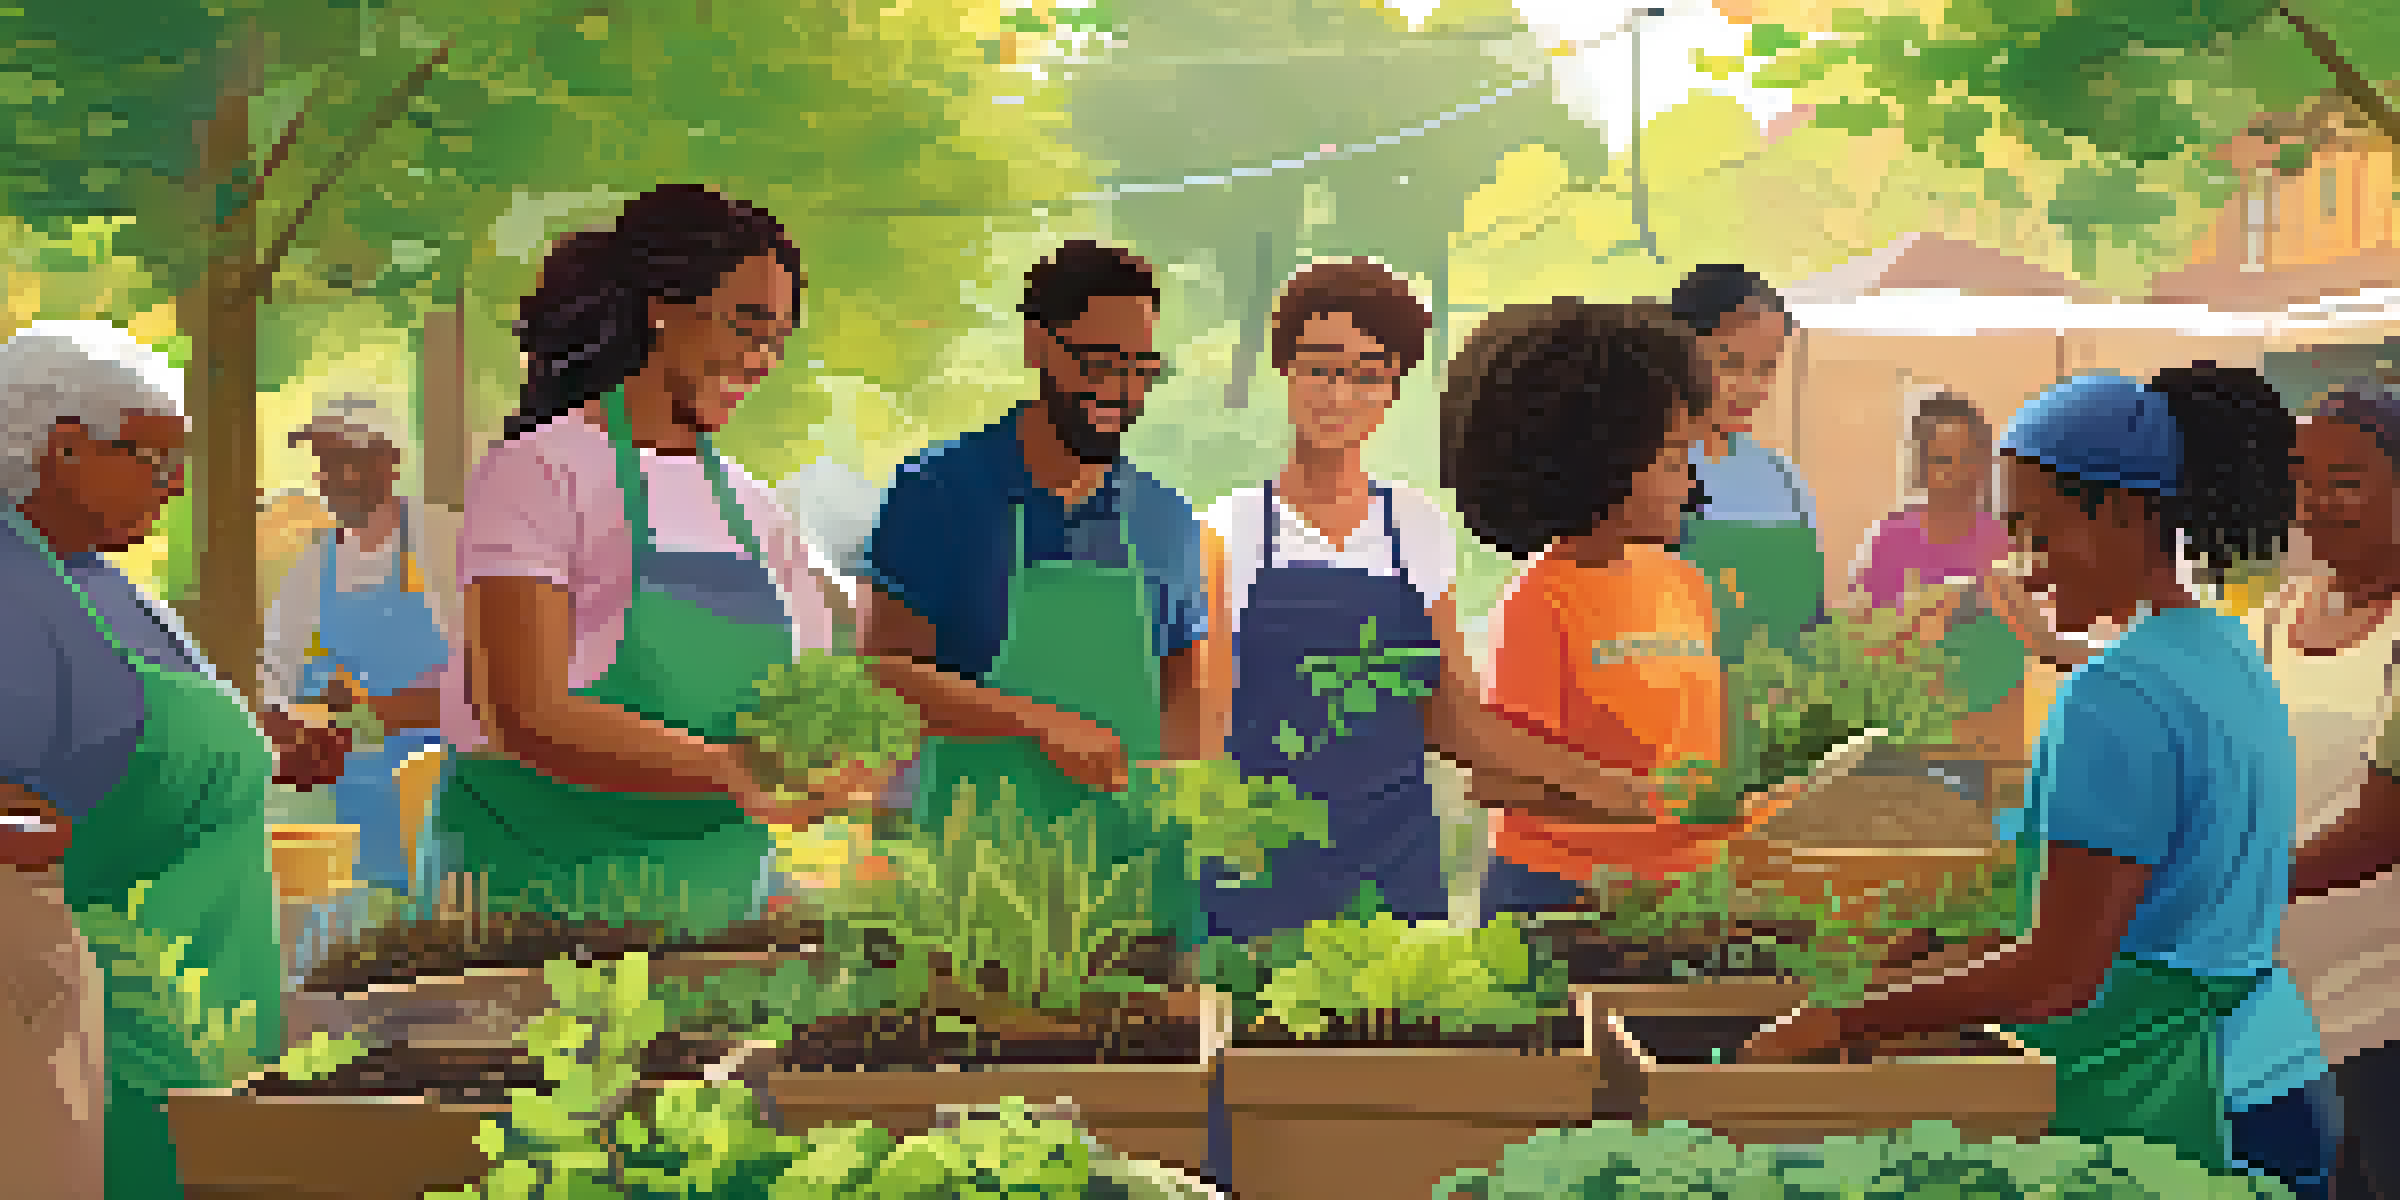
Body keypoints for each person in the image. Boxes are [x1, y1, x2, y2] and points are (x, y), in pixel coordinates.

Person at [1743, 366, 2310, 1177]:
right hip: (2272, 1082)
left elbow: (2058, 975)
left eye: (2039, 532)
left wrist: (1839, 1023)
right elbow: (2132, 907)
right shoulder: (2227, 656)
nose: (2030, 570)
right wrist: (1939, 954)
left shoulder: (2114, 695)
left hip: (2170, 1099)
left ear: (2121, 510)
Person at [431, 185, 868, 933]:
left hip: (719, 915)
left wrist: (835, 761)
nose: (761, 360)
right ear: (662, 306)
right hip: (539, 906)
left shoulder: (756, 511)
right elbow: (522, 711)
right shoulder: (540, 472)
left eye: (778, 342)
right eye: (747, 325)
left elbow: (803, 702)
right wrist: (727, 769)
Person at [1199, 261, 1665, 936]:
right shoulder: (1230, 529)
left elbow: (1454, 718)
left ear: (1393, 388)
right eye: (1321, 368)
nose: (1339, 394)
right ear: (1286, 370)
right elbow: (1205, 726)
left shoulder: (1416, 529)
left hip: (1395, 862)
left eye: (1367, 374)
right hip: (1266, 866)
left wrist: (1613, 788)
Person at [0, 320, 296, 1198]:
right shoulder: (14, 588)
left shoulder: (94, 575)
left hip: (208, 1015)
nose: (175, 486)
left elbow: (136, 732)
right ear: (62, 449)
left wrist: (263, 745)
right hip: (114, 1026)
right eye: (152, 460)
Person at [860, 241, 1220, 946]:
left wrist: (1183, 828)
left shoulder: (1165, 520)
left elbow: (1182, 693)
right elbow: (886, 679)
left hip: (1126, 886)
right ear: (1038, 344)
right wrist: (1038, 723)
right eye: (1099, 363)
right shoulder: (940, 492)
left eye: (1141, 369)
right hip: (967, 883)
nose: (1121, 390)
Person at [1444, 300, 1790, 921]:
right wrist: (1648, 804)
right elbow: (1498, 783)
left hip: (1684, 892)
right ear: (1602, 463)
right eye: (1672, 460)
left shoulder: (1684, 583)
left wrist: (1741, 802)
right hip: (1563, 897)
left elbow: (1696, 764)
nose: (1690, 485)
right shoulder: (1539, 602)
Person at [2261, 383, 2400, 1200]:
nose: (2316, 505)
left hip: (2387, 1009)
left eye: (2346, 481)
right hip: (2291, 1008)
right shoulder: (2281, 617)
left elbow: (2382, 830)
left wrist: (2239, 883)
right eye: (2303, 480)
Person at [259, 397, 459, 893]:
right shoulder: (315, 563)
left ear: (389, 463)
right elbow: (274, 666)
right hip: (345, 798)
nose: (334, 477)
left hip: (434, 790)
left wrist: (379, 711)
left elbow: (482, 674)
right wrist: (282, 718)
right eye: (325, 463)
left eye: (349, 461)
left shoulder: (440, 541)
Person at [1671, 264, 1826, 662]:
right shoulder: (1648, 475)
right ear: (1679, 350)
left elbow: (1811, 616)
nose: (1753, 387)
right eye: (1731, 363)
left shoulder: (1783, 477)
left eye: (1766, 368)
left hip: (1785, 708)